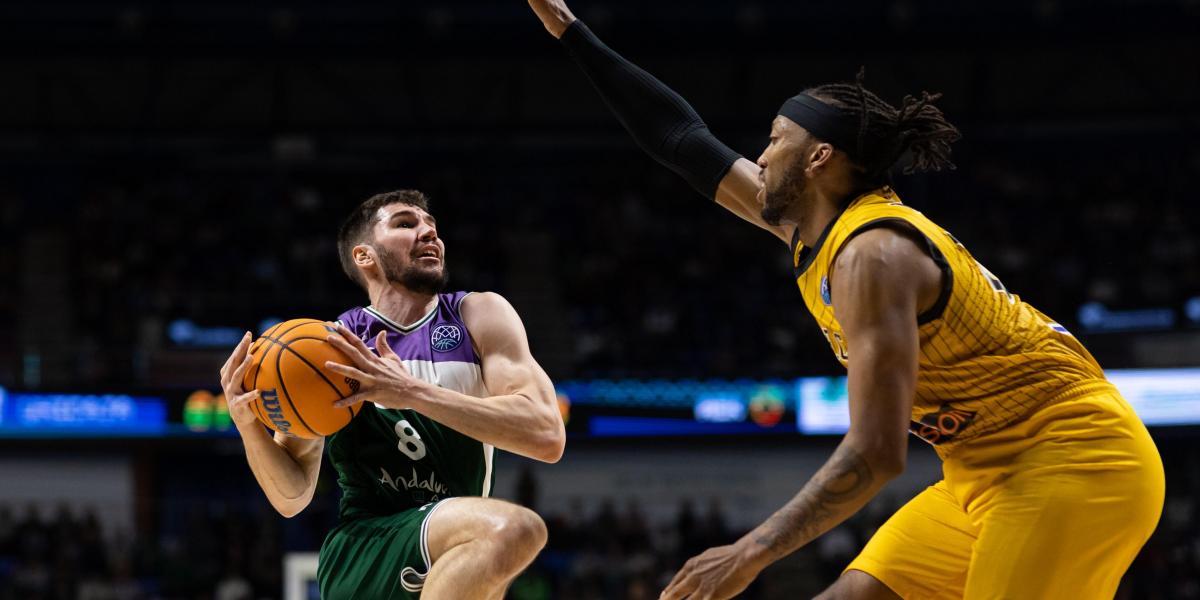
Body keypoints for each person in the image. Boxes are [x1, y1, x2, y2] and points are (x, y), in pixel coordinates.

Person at [526, 2, 1165, 599]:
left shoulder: (873, 255)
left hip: (1074, 457)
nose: (759, 155)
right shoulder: (810, 228)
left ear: (819, 158)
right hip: (980, 474)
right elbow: (682, 140)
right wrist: (569, 29)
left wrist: (749, 551)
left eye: (776, 139)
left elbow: (877, 451)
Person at [218, 190, 566, 599]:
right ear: (365, 256)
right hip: (367, 548)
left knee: (504, 539)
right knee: (516, 529)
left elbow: (546, 434)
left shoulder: (479, 315)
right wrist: (248, 425)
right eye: (406, 224)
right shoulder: (327, 348)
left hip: (454, 542)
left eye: (432, 228)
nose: (429, 234)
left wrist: (412, 393)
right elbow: (292, 497)